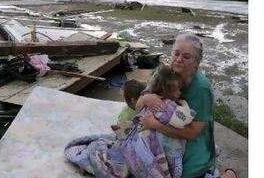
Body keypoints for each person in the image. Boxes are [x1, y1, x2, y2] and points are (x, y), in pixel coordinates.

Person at [65, 64, 195, 178]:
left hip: (143, 136)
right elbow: (183, 118)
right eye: (177, 90)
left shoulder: (155, 101)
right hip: (140, 138)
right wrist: (183, 104)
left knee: (124, 143)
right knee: (128, 146)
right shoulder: (163, 105)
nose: (179, 93)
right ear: (166, 91)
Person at [138, 33, 222, 178]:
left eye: (186, 56)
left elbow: (193, 132)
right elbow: (138, 107)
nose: (178, 59)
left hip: (191, 141)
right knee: (139, 161)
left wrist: (155, 125)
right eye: (176, 53)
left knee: (182, 172)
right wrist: (146, 98)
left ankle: (228, 174)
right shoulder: (162, 73)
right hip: (160, 132)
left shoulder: (201, 89)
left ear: (197, 62)